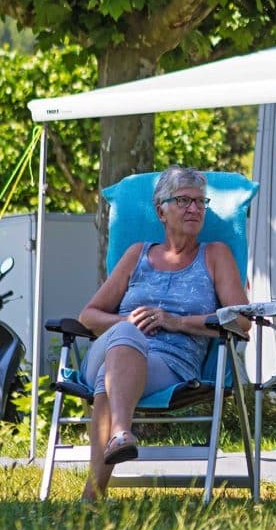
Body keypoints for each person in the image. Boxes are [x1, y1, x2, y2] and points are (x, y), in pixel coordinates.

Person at [78, 165, 250, 501]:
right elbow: (88, 316)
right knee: (126, 337)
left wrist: (177, 321)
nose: (194, 209)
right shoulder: (137, 255)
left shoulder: (215, 255)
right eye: (184, 200)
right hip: (113, 346)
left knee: (107, 378)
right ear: (161, 210)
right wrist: (128, 323)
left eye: (201, 202)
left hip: (171, 368)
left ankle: (92, 496)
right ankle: (121, 433)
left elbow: (241, 320)